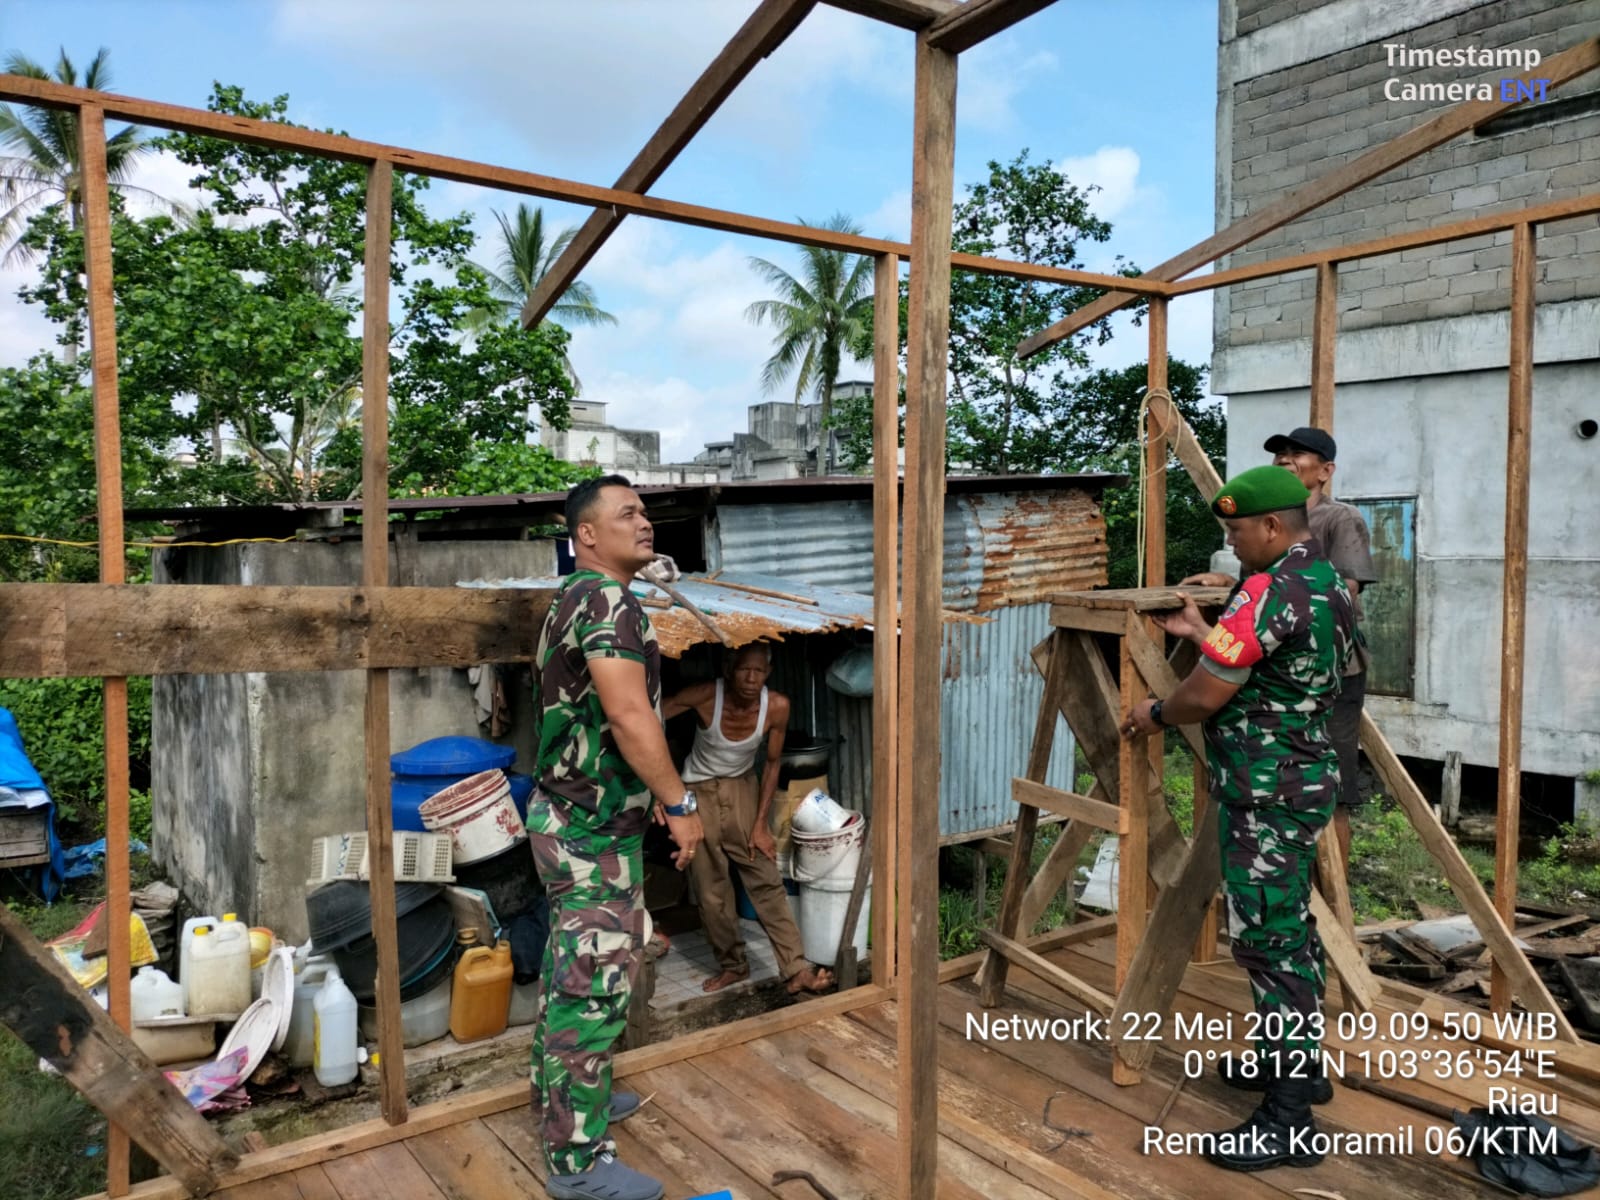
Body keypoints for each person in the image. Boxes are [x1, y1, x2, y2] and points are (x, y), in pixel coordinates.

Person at [1123, 464, 1354, 1172]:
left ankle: (1288, 1122)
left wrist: (1154, 714)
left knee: (1268, 945)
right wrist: (1200, 626)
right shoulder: (1326, 582)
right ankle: (1299, 1068)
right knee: (1293, 931)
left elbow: (1206, 695)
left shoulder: (1269, 588)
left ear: (1273, 527)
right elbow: (1259, 656)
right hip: (1304, 778)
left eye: (1236, 532)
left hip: (1267, 792)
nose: (1232, 544)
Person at [528, 473, 704, 1200]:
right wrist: (680, 800)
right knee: (592, 985)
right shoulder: (604, 600)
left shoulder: (575, 598)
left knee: (572, 967)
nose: (646, 523)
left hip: (579, 817)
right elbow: (631, 715)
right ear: (587, 536)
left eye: (646, 512)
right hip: (590, 829)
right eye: (627, 513)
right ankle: (577, 1163)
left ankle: (569, 1101)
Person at [1182, 426, 1376, 874]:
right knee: (1272, 778)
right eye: (1281, 453)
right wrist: (1232, 586)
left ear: (1325, 471)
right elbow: (1272, 596)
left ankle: (1330, 885)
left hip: (1327, 670)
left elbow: (1336, 595)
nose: (1286, 459)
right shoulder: (1261, 516)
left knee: (1327, 777)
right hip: (1270, 666)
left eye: (1299, 454)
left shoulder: (1337, 519)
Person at [663, 645, 835, 996]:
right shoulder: (706, 695)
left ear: (767, 674)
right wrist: (661, 789)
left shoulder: (777, 707)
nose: (751, 679)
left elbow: (771, 765)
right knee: (711, 889)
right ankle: (734, 966)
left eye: (758, 672)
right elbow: (649, 719)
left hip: (743, 788)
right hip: (697, 790)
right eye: (744, 670)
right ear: (729, 668)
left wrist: (760, 825)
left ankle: (795, 968)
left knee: (765, 877)